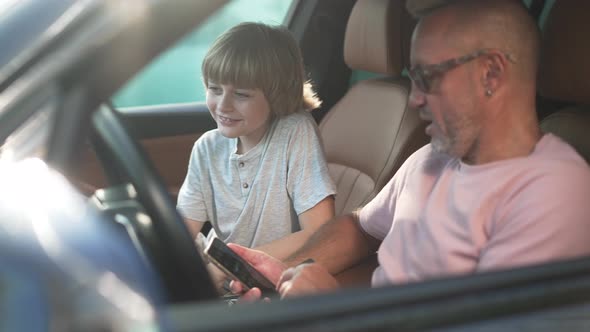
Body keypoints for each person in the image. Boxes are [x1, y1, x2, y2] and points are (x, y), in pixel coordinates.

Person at [229, 0, 590, 300]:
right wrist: (287, 270)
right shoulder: (432, 160)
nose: (415, 98)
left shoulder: (556, 193)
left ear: (490, 74)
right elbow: (360, 226)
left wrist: (332, 307)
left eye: (427, 78)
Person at [176, 22, 336, 284]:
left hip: (273, 281)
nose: (223, 105)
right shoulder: (206, 148)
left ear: (276, 94)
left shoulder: (295, 132)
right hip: (226, 280)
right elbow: (183, 229)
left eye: (241, 94)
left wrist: (232, 264)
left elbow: (320, 231)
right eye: (215, 89)